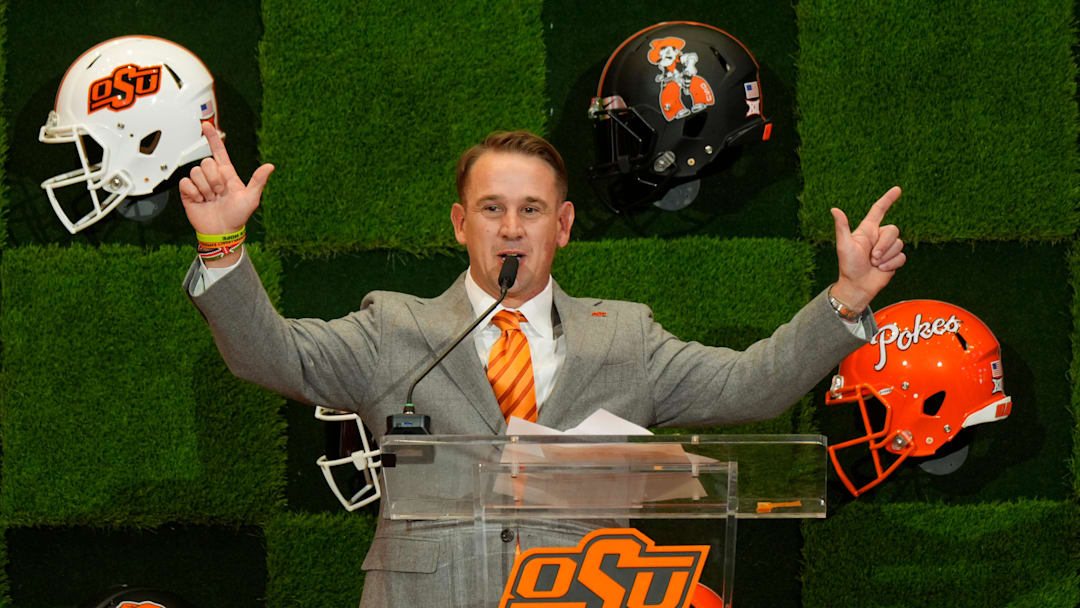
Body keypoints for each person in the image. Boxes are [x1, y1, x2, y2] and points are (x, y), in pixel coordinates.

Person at [180, 123, 904, 606]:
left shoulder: (626, 336)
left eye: (531, 210)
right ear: (462, 225)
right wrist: (223, 247)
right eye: (491, 208)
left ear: (561, 227)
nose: (511, 228)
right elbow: (269, 354)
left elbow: (754, 385)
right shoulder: (393, 327)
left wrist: (845, 298)